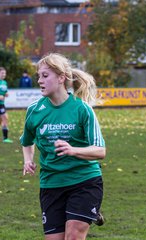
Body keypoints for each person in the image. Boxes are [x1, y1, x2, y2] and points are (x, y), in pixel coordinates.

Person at [20, 53, 106, 240]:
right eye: (38, 76)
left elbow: (100, 151)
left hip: (84, 181)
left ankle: (85, 212)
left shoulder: (82, 109)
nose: (39, 81)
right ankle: (88, 213)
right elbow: (27, 141)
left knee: (73, 236)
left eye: (45, 76)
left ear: (61, 78)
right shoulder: (34, 111)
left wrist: (73, 150)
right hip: (51, 184)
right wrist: (28, 160)